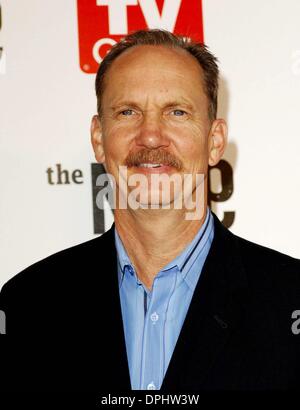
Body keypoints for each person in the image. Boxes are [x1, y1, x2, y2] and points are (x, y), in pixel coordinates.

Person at [0, 29, 299, 393]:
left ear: (214, 141)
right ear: (98, 138)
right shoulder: (29, 304)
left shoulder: (289, 300)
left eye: (176, 112)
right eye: (128, 111)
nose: (151, 136)